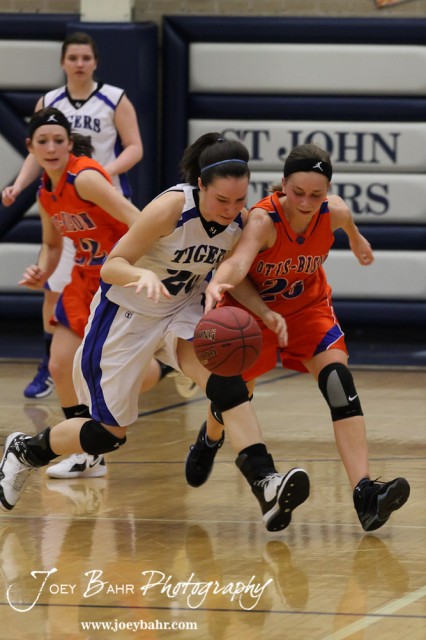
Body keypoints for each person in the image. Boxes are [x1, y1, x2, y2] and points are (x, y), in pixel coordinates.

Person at [0, 132, 310, 533]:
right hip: (126, 316)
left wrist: (264, 311)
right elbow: (112, 265)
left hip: (181, 311)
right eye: (222, 200)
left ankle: (265, 482)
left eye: (239, 200)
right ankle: (26, 450)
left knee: (227, 384)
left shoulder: (238, 222)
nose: (231, 209)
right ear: (201, 185)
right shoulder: (170, 208)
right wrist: (140, 274)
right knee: (106, 435)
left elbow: (234, 275)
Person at [186, 143, 410, 533]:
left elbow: (347, 222)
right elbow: (238, 262)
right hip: (254, 315)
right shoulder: (263, 220)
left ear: (328, 192)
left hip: (308, 309)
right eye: (298, 192)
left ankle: (365, 494)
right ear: (283, 185)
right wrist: (219, 283)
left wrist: (357, 240)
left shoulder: (334, 211)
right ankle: (210, 437)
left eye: (316, 195)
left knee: (339, 384)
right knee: (236, 396)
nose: (306, 202)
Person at [2, 31, 143, 402]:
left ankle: (152, 361)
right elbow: (36, 151)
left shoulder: (114, 98)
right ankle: (52, 366)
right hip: (70, 212)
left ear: (95, 62)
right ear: (62, 62)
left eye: (85, 57)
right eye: (73, 58)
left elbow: (135, 147)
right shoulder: (49, 102)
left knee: (121, 298)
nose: (79, 64)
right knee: (53, 289)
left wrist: (101, 173)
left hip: (105, 207)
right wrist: (18, 185)